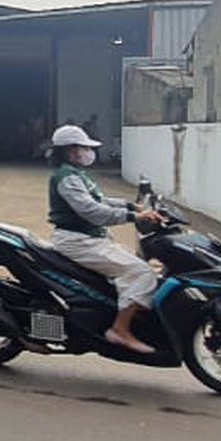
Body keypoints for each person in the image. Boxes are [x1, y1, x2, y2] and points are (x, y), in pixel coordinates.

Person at [46, 124, 163, 354]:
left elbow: (100, 199)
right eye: (84, 147)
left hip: (90, 238)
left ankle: (129, 318)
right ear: (71, 150)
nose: (88, 152)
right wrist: (133, 216)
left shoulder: (76, 174)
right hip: (78, 241)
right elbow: (92, 211)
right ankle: (120, 330)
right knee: (141, 272)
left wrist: (132, 205)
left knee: (132, 268)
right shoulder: (66, 178)